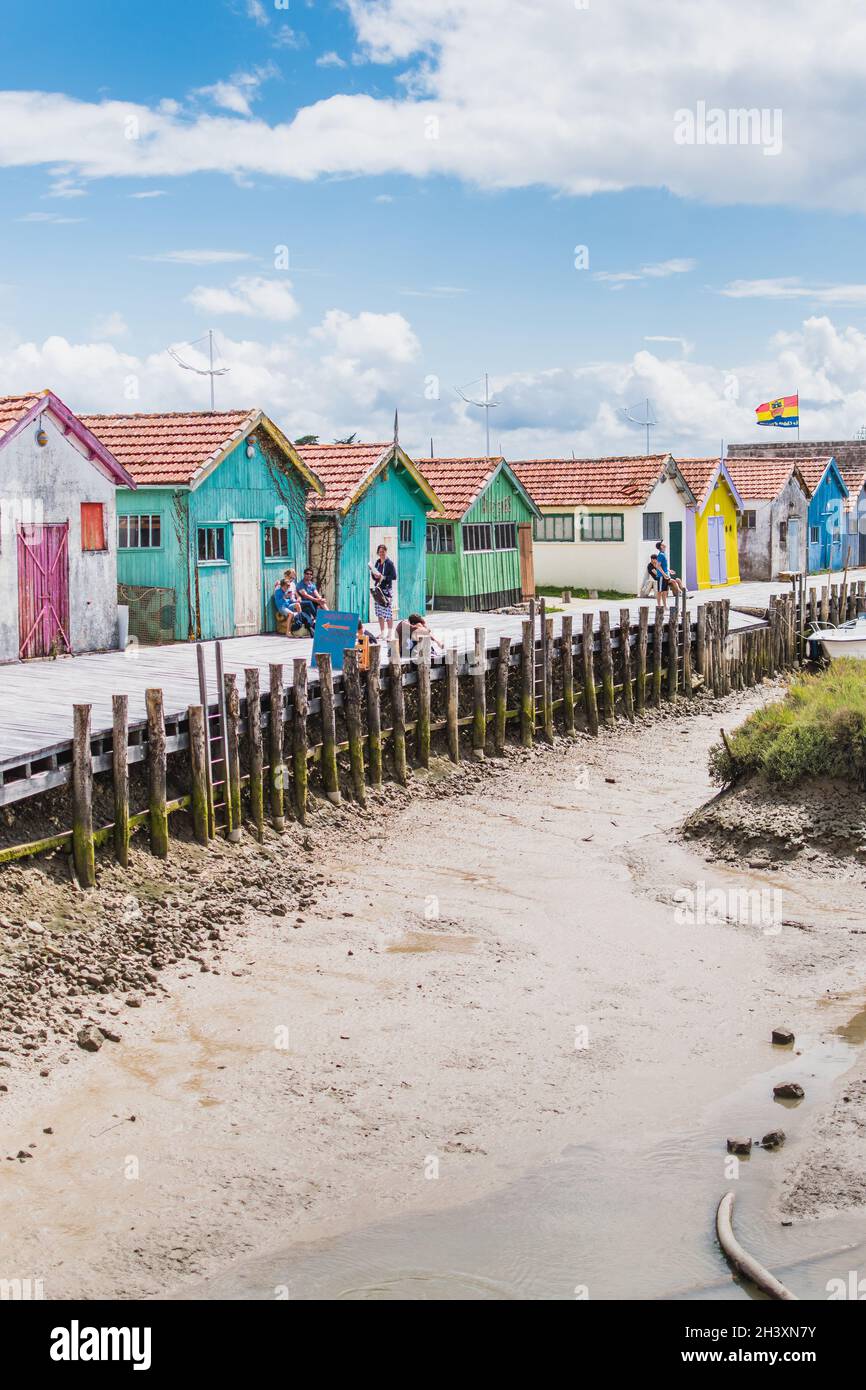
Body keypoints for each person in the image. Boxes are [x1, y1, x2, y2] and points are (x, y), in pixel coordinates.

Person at [369, 544, 397, 641]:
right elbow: (374, 576)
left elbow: (394, 576)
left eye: (383, 551)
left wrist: (383, 577)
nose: (381, 553)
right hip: (378, 589)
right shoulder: (377, 562)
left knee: (388, 612)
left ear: (386, 552)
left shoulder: (389, 563)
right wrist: (374, 574)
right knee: (379, 613)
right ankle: (382, 633)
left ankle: (390, 633)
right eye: (380, 552)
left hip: (386, 590)